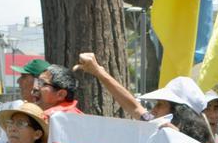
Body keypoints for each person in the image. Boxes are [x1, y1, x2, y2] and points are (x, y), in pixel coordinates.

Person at [72, 52, 207, 121]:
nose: (153, 110)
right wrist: (99, 72)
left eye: (160, 105)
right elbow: (135, 107)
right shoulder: (157, 126)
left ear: (179, 113)